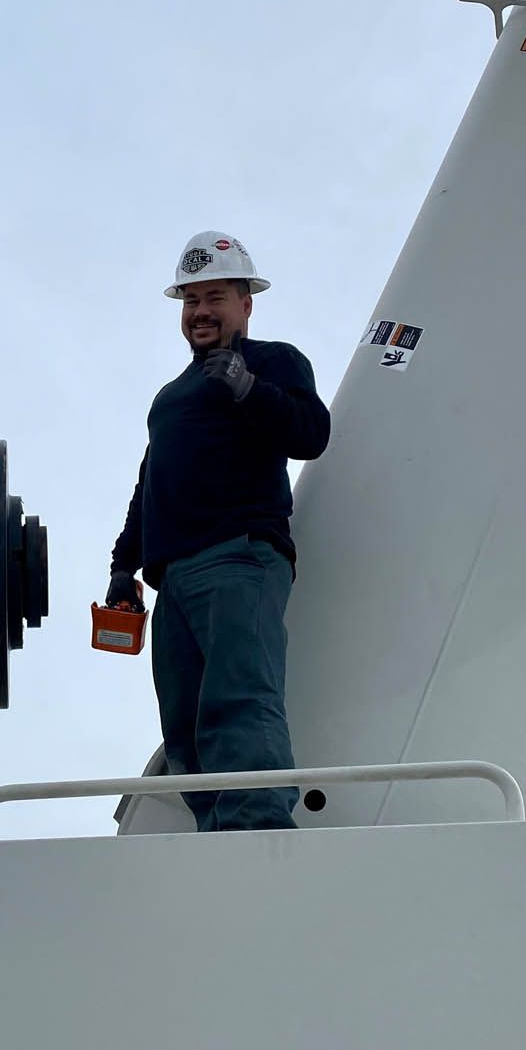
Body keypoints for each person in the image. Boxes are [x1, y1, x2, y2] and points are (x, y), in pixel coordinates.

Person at [108, 231, 331, 830]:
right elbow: (150, 483)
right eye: (190, 301)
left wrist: (249, 389)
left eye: (215, 297)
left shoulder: (274, 361)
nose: (201, 312)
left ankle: (257, 833)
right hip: (171, 578)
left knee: (238, 700)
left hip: (239, 558)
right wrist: (123, 568)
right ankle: (217, 841)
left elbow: (311, 434)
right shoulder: (170, 397)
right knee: (182, 727)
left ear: (245, 304)